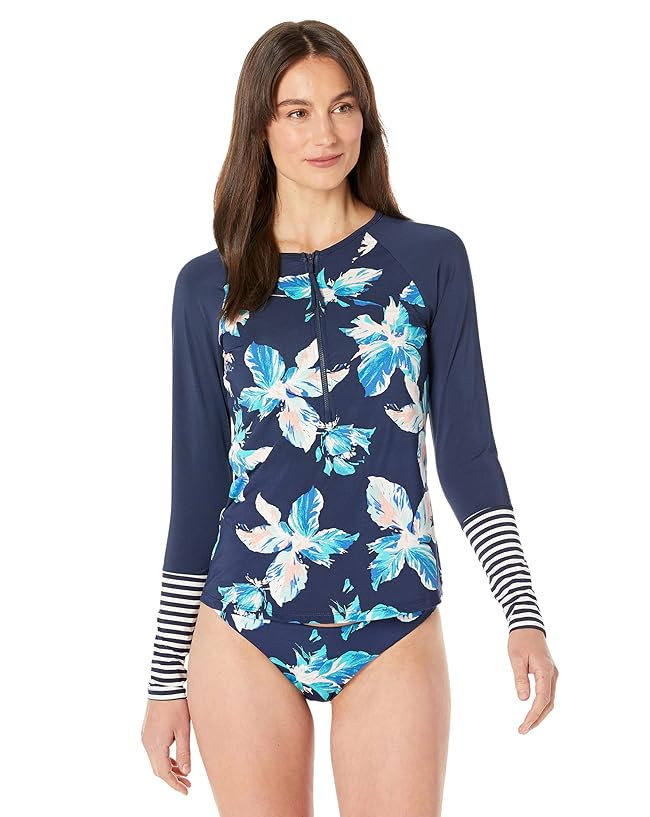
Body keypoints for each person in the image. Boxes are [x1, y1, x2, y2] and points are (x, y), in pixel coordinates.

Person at [140, 19, 558, 816]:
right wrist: (164, 682)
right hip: (242, 622)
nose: (325, 133)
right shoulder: (208, 287)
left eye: (342, 107)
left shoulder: (430, 259)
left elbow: (469, 456)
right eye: (296, 112)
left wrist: (523, 612)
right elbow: (196, 492)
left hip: (393, 613)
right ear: (260, 127)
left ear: (366, 115)